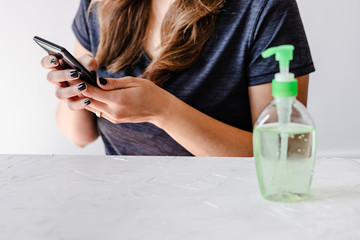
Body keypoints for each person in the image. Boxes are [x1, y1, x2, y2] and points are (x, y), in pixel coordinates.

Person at [40, 0, 315, 156]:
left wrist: (164, 110)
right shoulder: (100, 5)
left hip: (226, 205)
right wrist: (75, 92)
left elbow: (283, 155)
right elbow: (80, 136)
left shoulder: (263, 8)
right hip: (125, 201)